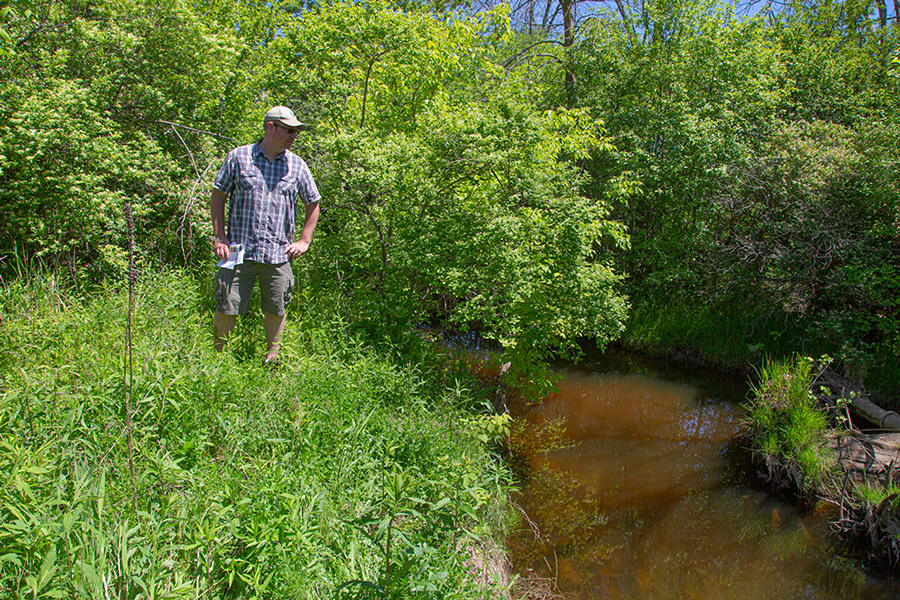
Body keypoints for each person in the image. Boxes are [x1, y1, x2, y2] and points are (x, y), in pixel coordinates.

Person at [210, 105, 320, 365]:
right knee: (228, 304)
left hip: (278, 253)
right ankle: (217, 361)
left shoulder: (297, 165)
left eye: (296, 132)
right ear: (270, 127)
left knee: (277, 307)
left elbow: (313, 203)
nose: (294, 136)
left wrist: (304, 240)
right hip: (237, 250)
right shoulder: (239, 157)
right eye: (289, 130)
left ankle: (273, 360)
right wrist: (219, 236)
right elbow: (218, 195)